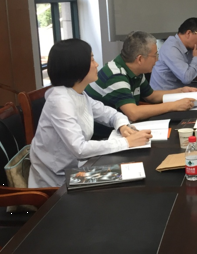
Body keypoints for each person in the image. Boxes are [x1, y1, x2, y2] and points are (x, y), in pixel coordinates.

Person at [29, 39, 152, 188]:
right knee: (128, 180)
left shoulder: (78, 93)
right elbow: (80, 149)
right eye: (92, 60)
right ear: (77, 66)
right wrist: (126, 142)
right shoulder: (60, 101)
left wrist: (123, 126)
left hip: (77, 170)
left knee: (134, 174)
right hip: (58, 182)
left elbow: (110, 114)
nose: (97, 64)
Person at [86, 31, 197, 122]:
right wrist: (174, 105)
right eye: (155, 55)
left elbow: (151, 96)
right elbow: (133, 113)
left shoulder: (135, 70)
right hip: (103, 136)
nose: (157, 60)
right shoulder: (115, 75)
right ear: (139, 59)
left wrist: (180, 91)